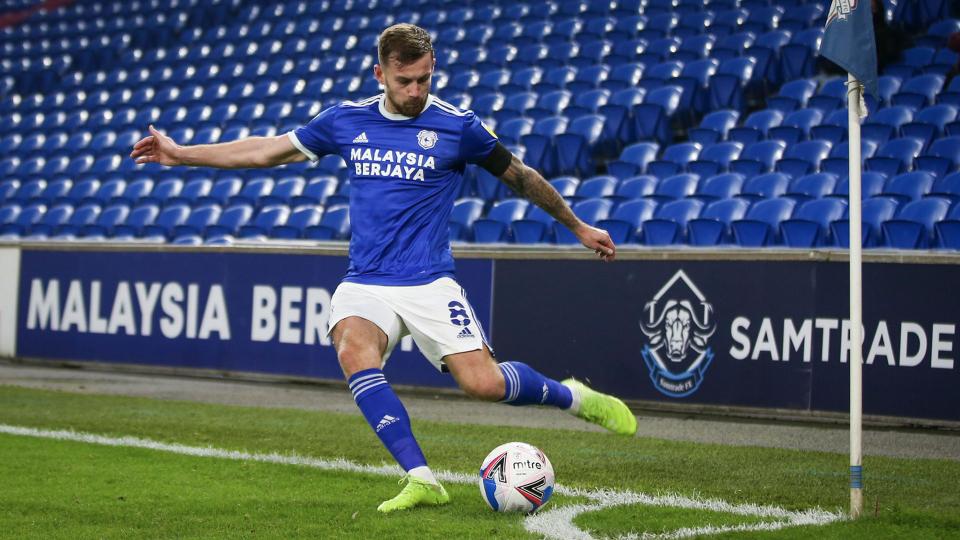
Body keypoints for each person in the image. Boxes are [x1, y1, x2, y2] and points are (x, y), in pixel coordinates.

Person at [130, 23, 637, 513]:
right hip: (366, 280)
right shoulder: (345, 120)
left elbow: (520, 176)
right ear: (380, 74)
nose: (415, 91)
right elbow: (265, 151)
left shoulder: (458, 126)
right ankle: (421, 479)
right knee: (353, 348)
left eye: (424, 79)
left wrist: (576, 225)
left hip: (429, 280)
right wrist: (182, 154)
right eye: (404, 81)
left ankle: (572, 397)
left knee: (483, 385)